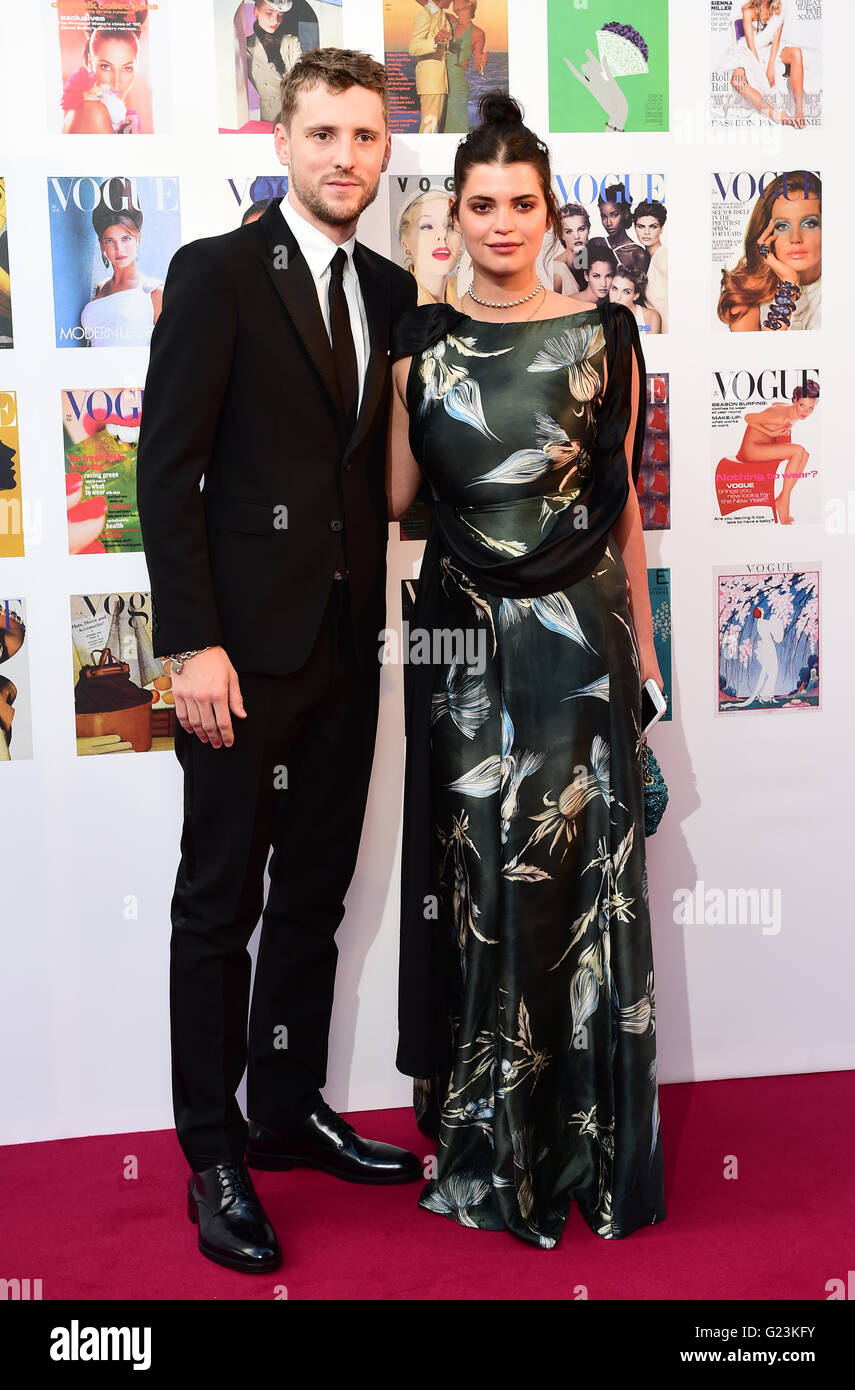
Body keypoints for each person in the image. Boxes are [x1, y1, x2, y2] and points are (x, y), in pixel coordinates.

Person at [136, 48, 421, 1276]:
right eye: (323, 136)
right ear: (283, 142)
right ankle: (212, 1151)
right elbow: (167, 472)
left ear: (384, 153)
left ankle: (286, 1107)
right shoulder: (215, 275)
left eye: (364, 137)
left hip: (350, 652)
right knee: (218, 905)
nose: (345, 157)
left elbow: (381, 472)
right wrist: (191, 642)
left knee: (314, 895)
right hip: (239, 662)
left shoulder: (398, 285)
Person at [387, 91, 666, 1247]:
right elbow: (398, 503)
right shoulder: (417, 344)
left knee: (570, 883)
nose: (502, 224)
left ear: (550, 214)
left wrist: (644, 659)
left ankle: (585, 1145)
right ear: (450, 215)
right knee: (481, 885)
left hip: (578, 648)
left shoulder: (607, 337)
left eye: (522, 204)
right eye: (481, 205)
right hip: (460, 649)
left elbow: (625, 509)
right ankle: (487, 1142)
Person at [717, 170, 821, 331]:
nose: (795, 238)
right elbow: (758, 355)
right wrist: (789, 286)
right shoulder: (745, 293)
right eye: (782, 226)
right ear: (766, 234)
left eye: (809, 224)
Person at [715, 378, 819, 525]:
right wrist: (770, 433)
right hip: (751, 450)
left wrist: (787, 426)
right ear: (795, 400)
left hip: (764, 446)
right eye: (802, 405)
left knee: (805, 455)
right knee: (798, 451)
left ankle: (782, 499)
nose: (805, 412)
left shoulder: (793, 410)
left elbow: (775, 404)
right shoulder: (780, 417)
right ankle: (784, 502)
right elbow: (748, 417)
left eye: (810, 408)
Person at [80, 178, 163, 348]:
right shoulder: (101, 288)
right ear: (101, 243)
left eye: (126, 238)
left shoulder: (155, 293)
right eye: (110, 240)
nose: (119, 249)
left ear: (137, 238)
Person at [715, 0, 805, 128]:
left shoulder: (779, 11)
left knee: (796, 52)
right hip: (749, 51)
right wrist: (758, 70)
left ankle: (800, 112)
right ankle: (775, 114)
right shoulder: (748, 11)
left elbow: (776, 42)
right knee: (736, 81)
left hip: (770, 50)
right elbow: (751, 46)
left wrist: (770, 67)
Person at [60, 7, 147, 134]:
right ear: (90, 63)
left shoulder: (93, 109)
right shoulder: (93, 111)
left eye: (127, 68)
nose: (116, 82)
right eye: (106, 67)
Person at [398, 188, 462, 305]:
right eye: (427, 226)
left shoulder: (468, 293)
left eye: (450, 226)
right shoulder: (397, 301)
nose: (442, 236)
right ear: (405, 243)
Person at [246, 0, 303, 124]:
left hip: (295, 112)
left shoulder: (292, 42)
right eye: (268, 13)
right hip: (270, 117)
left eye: (280, 15)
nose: (275, 20)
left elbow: (300, 78)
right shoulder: (245, 47)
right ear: (256, 11)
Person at [443, 0, 486, 134]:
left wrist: (482, 63)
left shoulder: (478, 33)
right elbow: (428, 5)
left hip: (457, 88)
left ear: (469, 4)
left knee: (455, 130)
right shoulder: (449, 20)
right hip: (441, 83)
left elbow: (476, 68)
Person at [409, 0, 452, 134]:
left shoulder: (440, 15)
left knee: (433, 128)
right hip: (431, 82)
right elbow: (413, 48)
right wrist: (435, 40)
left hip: (439, 81)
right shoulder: (425, 14)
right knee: (429, 128)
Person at [633, 199, 668, 331]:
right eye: (641, 226)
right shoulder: (646, 259)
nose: (646, 232)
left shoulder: (663, 256)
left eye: (653, 226)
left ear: (661, 229)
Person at [552, 201, 590, 296]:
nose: (576, 236)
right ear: (562, 235)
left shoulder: (596, 259)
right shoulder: (557, 271)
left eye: (581, 229)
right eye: (569, 231)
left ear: (589, 229)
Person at [609, 267, 661, 334]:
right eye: (614, 288)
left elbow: (652, 344)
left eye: (626, 292)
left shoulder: (650, 316)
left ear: (635, 296)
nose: (618, 297)